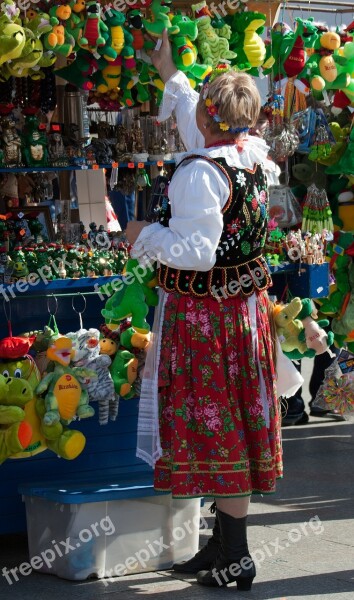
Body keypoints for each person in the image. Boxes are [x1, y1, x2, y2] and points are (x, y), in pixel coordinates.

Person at [126, 30, 283, 591]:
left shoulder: (199, 174)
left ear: (213, 119)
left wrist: (146, 234)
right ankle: (219, 546)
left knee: (222, 432)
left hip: (208, 321)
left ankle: (237, 558)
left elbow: (196, 252)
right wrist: (172, 73)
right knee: (231, 422)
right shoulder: (248, 157)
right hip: (239, 314)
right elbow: (199, 124)